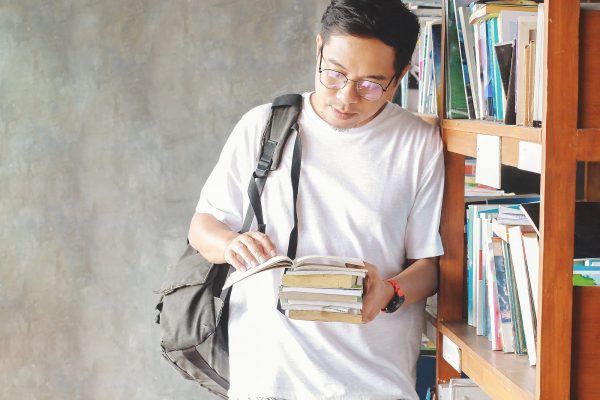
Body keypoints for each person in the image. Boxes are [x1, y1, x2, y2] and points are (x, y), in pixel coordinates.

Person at [188, 0, 444, 398]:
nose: (346, 97)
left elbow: (428, 267)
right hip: (269, 377)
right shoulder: (263, 125)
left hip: (372, 379)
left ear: (400, 77)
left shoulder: (418, 143)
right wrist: (231, 243)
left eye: (371, 84)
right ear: (319, 47)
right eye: (334, 74)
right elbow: (202, 227)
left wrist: (389, 293)